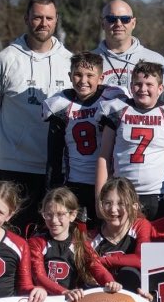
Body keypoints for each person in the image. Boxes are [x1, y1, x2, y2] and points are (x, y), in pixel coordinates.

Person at [0, 0, 74, 233]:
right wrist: (14, 139)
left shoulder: (70, 62)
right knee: (10, 234)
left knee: (51, 235)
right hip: (15, 166)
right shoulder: (5, 60)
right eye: (37, 17)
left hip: (56, 168)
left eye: (49, 18)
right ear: (26, 19)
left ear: (56, 21)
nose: (43, 23)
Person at [95, 61, 164, 220]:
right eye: (138, 84)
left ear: (160, 88)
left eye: (149, 84)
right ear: (131, 87)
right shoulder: (116, 110)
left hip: (158, 195)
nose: (143, 89)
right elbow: (104, 157)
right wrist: (99, 199)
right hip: (121, 193)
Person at [45, 51, 122, 225]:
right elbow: (54, 156)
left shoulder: (114, 100)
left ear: (101, 78)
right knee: (77, 234)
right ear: (70, 76)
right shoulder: (60, 105)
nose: (83, 80)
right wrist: (52, 191)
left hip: (108, 182)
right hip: (75, 182)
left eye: (90, 75)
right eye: (78, 74)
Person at [28, 187, 122, 300]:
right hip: (43, 300)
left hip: (70, 300)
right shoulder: (36, 242)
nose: (54, 220)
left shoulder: (79, 244)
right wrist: (64, 292)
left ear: (72, 215)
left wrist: (110, 282)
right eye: (48, 214)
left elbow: (97, 269)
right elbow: (39, 276)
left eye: (60, 214)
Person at [94, 0, 164, 95]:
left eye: (125, 19)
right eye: (111, 19)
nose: (118, 24)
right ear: (103, 24)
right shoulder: (88, 61)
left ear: (133, 23)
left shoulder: (156, 60)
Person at [91, 177, 153, 291]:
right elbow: (91, 267)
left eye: (121, 203)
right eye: (108, 203)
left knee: (128, 273)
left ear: (134, 207)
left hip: (136, 296)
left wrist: (104, 259)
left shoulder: (141, 226)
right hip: (103, 297)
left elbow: (142, 259)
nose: (113, 209)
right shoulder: (91, 237)